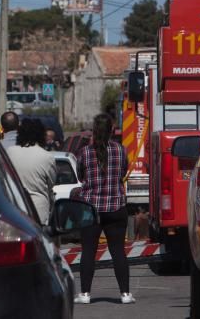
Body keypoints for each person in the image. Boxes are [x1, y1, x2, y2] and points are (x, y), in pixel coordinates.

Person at [74, 113, 134, 305]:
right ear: (111, 131)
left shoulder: (84, 152)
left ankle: (84, 294)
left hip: (90, 208)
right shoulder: (120, 150)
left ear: (94, 131)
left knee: (88, 251)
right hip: (116, 207)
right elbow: (123, 172)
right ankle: (125, 294)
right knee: (118, 251)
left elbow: (80, 175)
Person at [6, 118, 57, 224]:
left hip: (14, 210)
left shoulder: (9, 152)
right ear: (41, 135)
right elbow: (51, 184)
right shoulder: (47, 157)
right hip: (39, 213)